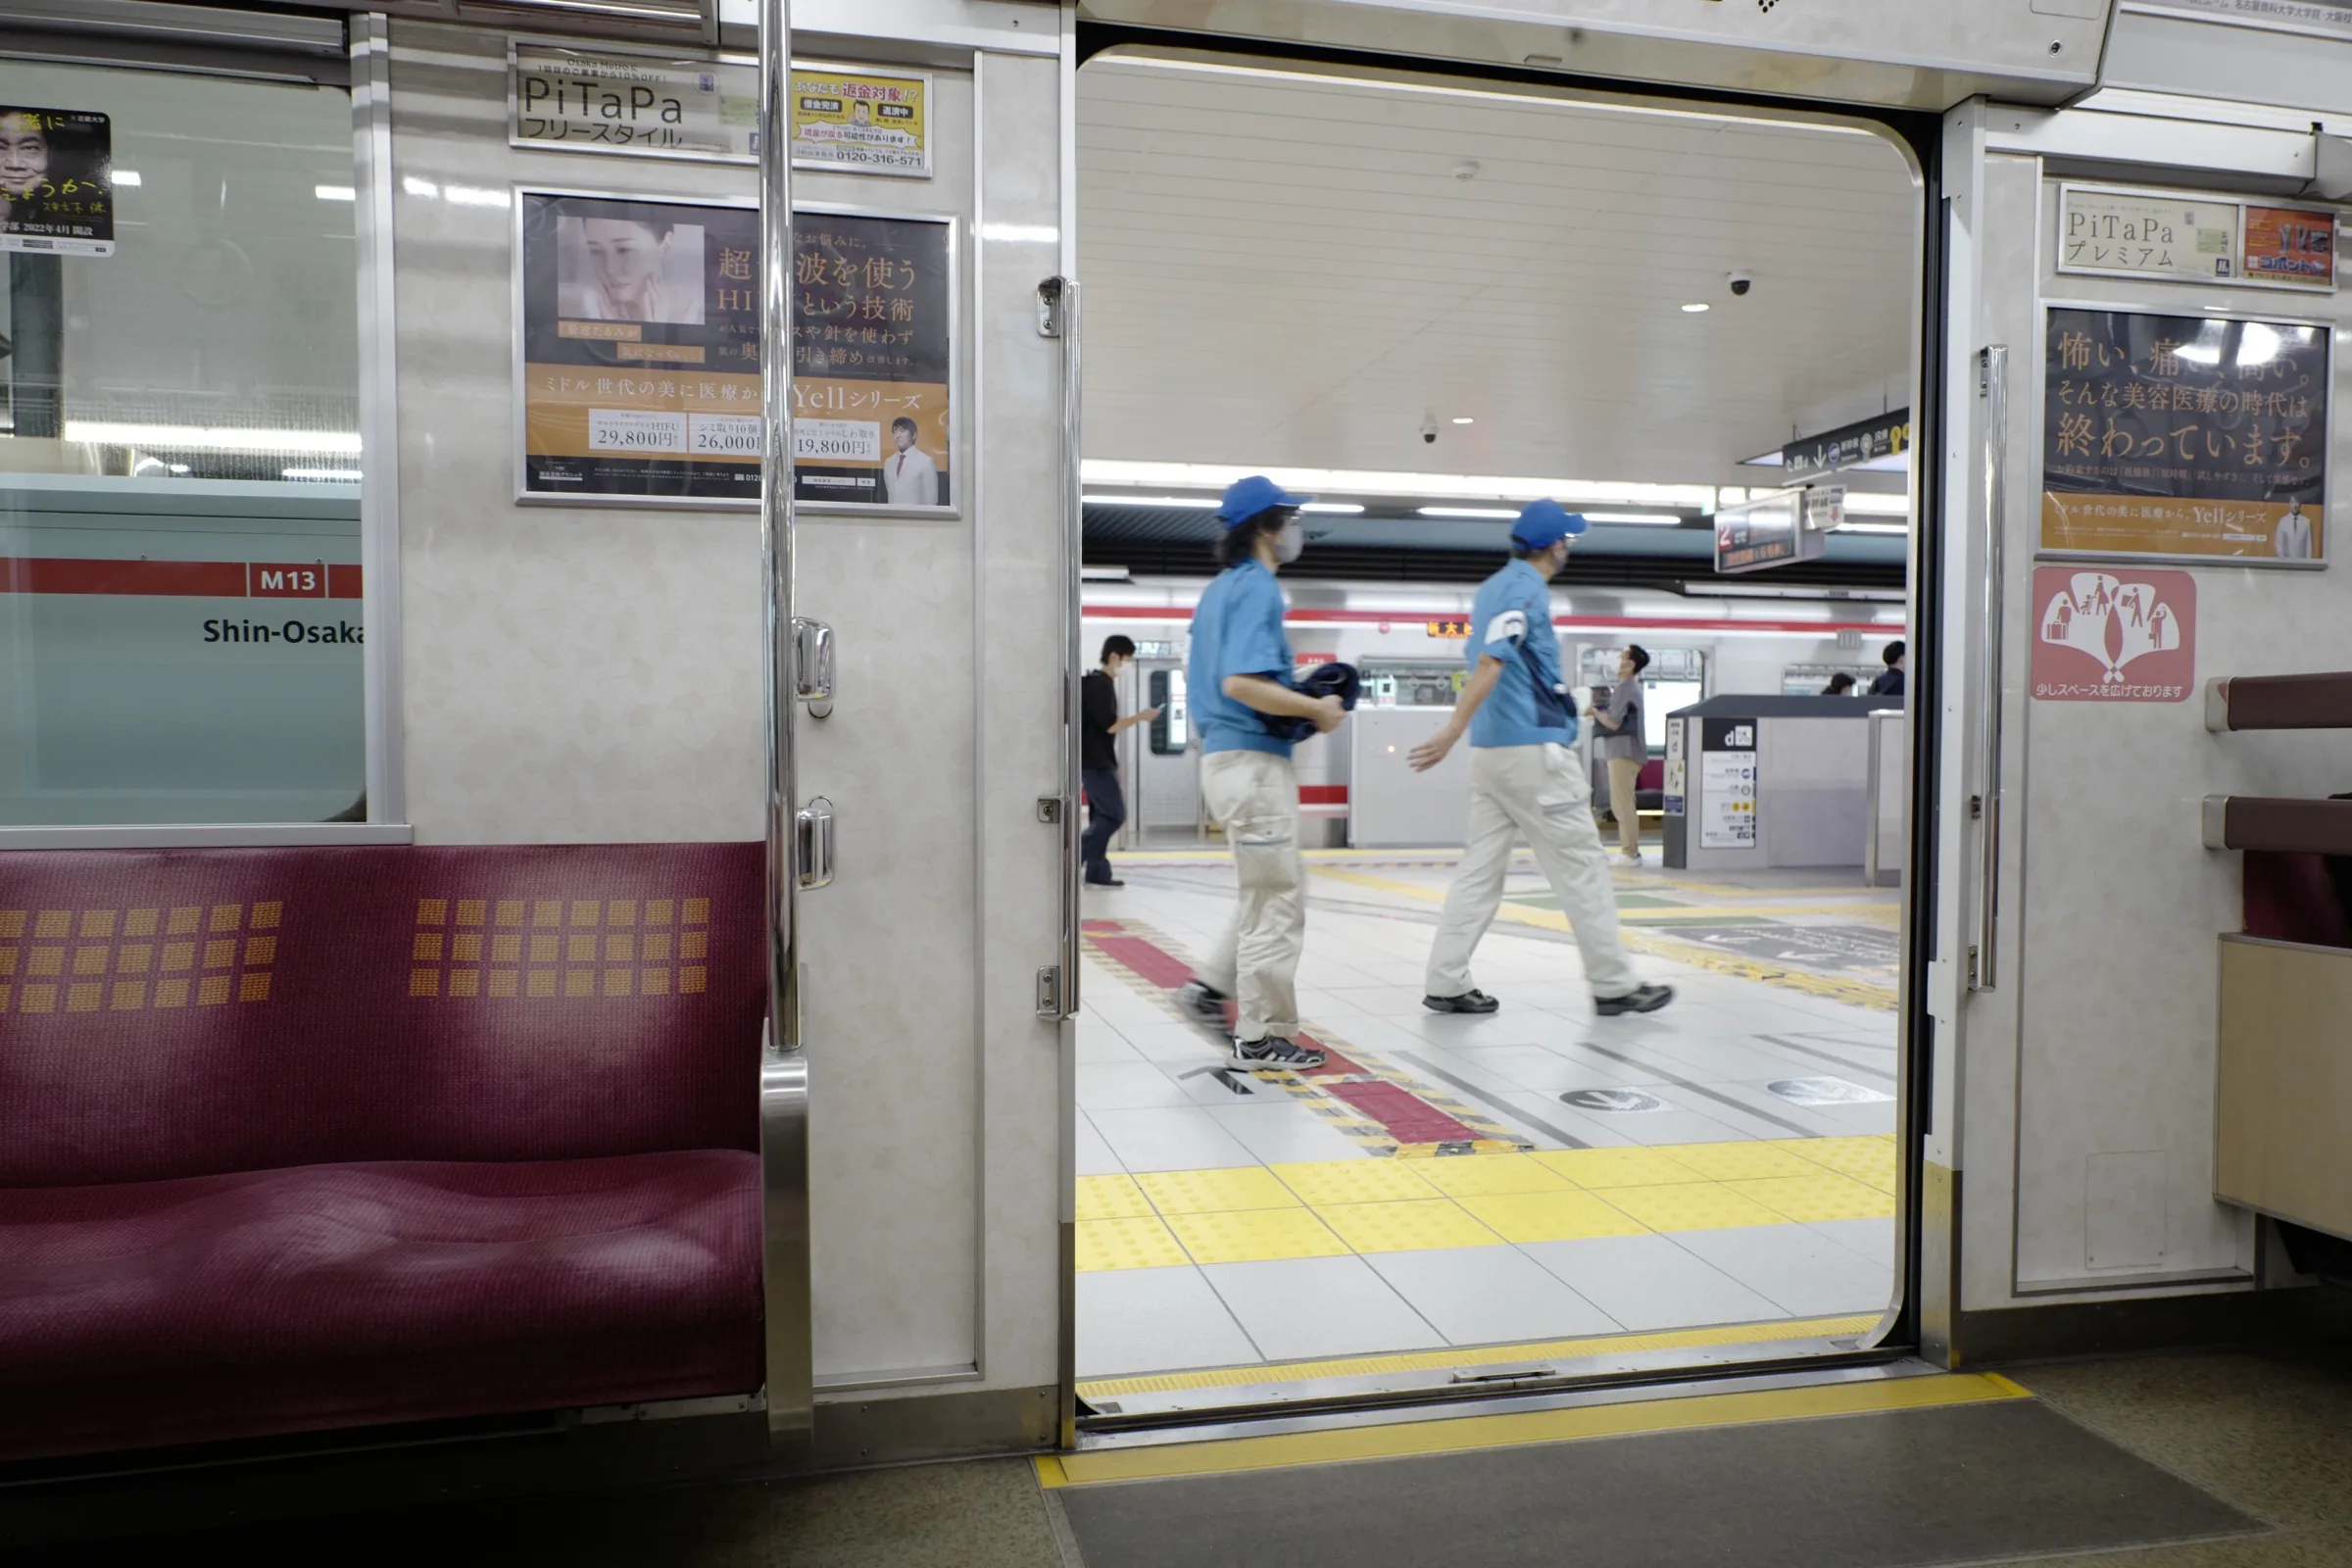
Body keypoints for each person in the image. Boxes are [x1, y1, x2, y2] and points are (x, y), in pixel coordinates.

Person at [1411, 501, 1673, 1019]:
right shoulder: (1524, 587)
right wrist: (1451, 728)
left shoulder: (1491, 586)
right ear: (1555, 545)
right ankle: (1614, 985)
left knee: (1480, 872)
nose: (1569, 546)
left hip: (1494, 753)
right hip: (1531, 753)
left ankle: (1446, 979)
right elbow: (1493, 657)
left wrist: (1465, 731)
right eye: (1567, 539)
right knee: (1583, 869)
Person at [1172, 476, 1345, 1070]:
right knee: (1276, 903)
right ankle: (1262, 1035)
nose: (1298, 530)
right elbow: (1241, 684)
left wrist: (1291, 697)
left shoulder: (1220, 591)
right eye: (1291, 518)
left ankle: (1210, 989)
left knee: (1269, 891)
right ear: (1268, 527)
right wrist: (1315, 708)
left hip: (1229, 760)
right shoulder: (1259, 590)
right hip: (1251, 766)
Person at [1080, 635, 1160, 888]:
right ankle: (1072, 857)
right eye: (1127, 659)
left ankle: (1097, 873)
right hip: (1095, 762)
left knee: (1100, 816)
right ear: (1115, 656)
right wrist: (1141, 717)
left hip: (1096, 760)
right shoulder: (1100, 685)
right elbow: (1111, 725)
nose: (1128, 665)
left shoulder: (1095, 683)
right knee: (1114, 815)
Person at [561, 216, 705, 324]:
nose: (610, 268)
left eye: (624, 250)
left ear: (665, 245)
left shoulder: (700, 319)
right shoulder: (575, 310)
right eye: (596, 251)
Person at [1590, 645, 1649, 867]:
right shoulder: (1630, 688)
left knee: (1622, 804)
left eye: (1621, 657)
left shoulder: (1625, 688)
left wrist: (1594, 711)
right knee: (1623, 802)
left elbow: (1613, 722)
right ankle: (1629, 850)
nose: (1617, 660)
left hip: (1623, 752)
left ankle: (1630, 853)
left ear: (1631, 664)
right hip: (1625, 752)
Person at [881, 416, 939, 506]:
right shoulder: (889, 462)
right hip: (892, 517)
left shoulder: (926, 462)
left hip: (916, 518)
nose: (897, 435)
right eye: (895, 431)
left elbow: (932, 500)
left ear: (914, 435)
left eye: (902, 431)